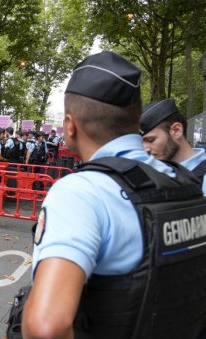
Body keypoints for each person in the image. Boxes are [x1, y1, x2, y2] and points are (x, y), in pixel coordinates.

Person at [21, 51, 206, 339]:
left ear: (70, 126)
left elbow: (46, 327)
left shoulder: (82, 193)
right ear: (136, 120)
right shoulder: (188, 182)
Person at [141, 98, 206, 193]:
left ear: (176, 130)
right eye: (141, 143)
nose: (146, 149)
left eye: (151, 140)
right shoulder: (148, 175)